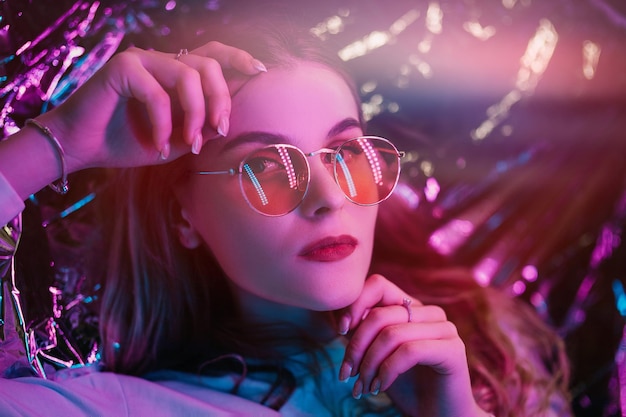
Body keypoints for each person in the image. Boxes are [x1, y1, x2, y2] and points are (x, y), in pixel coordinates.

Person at [0, 14, 570, 417]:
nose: (328, 197)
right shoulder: (123, 407)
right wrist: (59, 144)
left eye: (345, 152)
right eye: (267, 167)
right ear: (184, 217)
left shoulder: (484, 345)